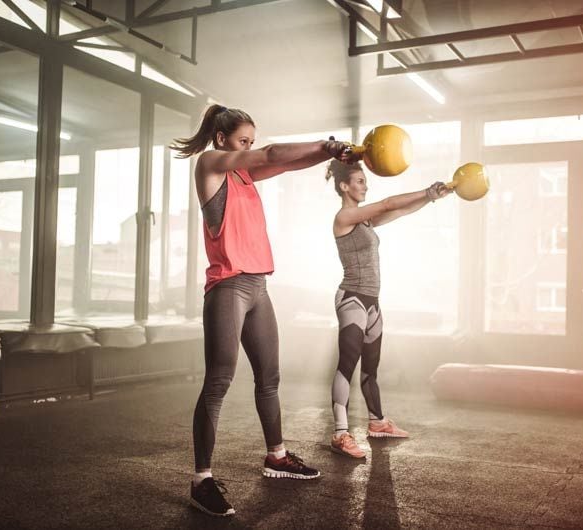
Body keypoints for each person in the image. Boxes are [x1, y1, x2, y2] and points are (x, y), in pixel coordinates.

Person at [171, 104, 356, 516]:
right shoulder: (211, 165)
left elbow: (286, 164)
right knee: (218, 381)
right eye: (243, 141)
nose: (249, 148)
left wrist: (332, 153)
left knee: (269, 377)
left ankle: (276, 455)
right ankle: (201, 480)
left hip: (259, 288)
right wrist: (328, 143)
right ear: (222, 139)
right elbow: (272, 155)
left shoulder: (242, 174)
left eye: (251, 142)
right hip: (228, 288)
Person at [325, 159, 452, 459]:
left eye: (364, 181)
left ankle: (377, 422)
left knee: (371, 367)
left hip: (372, 300)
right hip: (352, 298)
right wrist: (425, 190)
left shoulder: (365, 220)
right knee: (348, 363)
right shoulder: (345, 216)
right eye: (359, 181)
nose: (364, 185)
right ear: (344, 186)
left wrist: (429, 198)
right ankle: (341, 434)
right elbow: (388, 203)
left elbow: (399, 209)